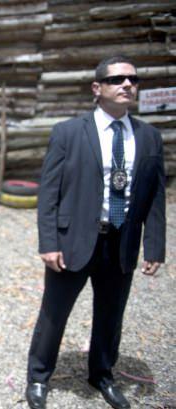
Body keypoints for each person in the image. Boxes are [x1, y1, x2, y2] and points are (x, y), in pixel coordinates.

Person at [25, 56, 165, 409]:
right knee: (54, 314)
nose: (127, 84)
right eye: (117, 79)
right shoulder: (68, 132)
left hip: (121, 241)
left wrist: (154, 246)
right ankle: (38, 377)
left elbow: (155, 196)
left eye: (133, 79)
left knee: (111, 315)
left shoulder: (149, 137)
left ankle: (102, 374)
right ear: (97, 88)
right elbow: (49, 193)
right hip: (73, 240)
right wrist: (49, 242)